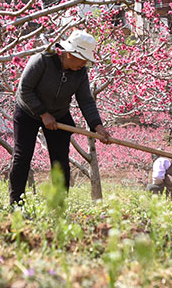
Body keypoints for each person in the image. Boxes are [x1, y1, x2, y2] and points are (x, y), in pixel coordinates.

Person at [9, 29, 111, 205]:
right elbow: (24, 89)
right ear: (70, 54)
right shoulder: (42, 61)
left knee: (60, 161)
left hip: (59, 113)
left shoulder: (80, 73)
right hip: (28, 111)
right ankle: (16, 202)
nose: (85, 63)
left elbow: (86, 100)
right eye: (83, 58)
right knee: (22, 156)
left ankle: (59, 204)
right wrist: (43, 113)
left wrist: (97, 126)